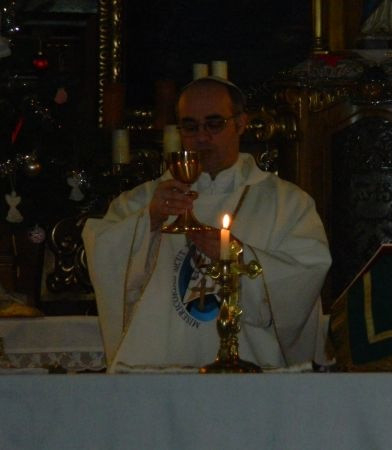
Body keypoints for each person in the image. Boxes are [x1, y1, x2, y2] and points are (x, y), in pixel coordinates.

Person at [82, 77, 332, 372]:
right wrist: (149, 221)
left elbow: (305, 275)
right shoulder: (145, 201)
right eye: (190, 126)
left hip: (251, 373)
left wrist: (239, 256)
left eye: (214, 124)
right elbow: (103, 254)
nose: (202, 137)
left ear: (240, 124)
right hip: (158, 372)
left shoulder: (287, 204)